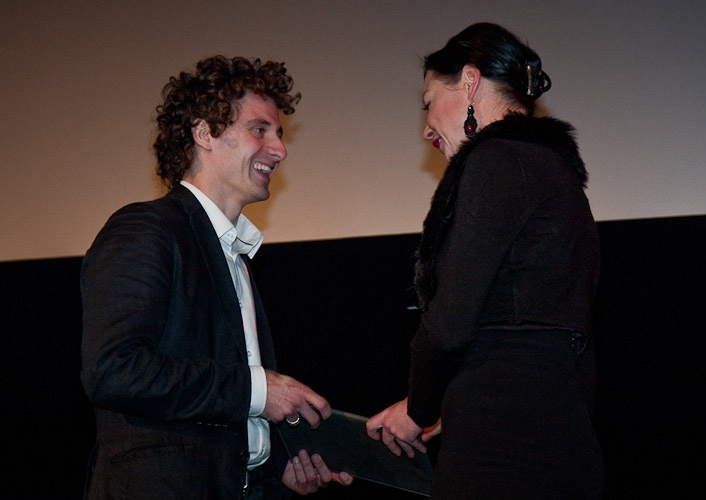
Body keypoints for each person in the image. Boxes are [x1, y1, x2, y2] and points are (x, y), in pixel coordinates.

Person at [80, 55, 352, 499]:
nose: (280, 150)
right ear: (204, 133)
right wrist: (259, 389)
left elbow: (214, 421)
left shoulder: (236, 257)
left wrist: (274, 469)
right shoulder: (147, 229)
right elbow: (113, 370)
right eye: (260, 130)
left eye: (279, 134)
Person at [366, 23, 604, 499]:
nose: (426, 127)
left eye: (429, 101)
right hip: (554, 427)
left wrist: (417, 409)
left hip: (505, 442)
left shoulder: (497, 160)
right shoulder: (551, 169)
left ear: (470, 81)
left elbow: (450, 321)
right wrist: (446, 404)